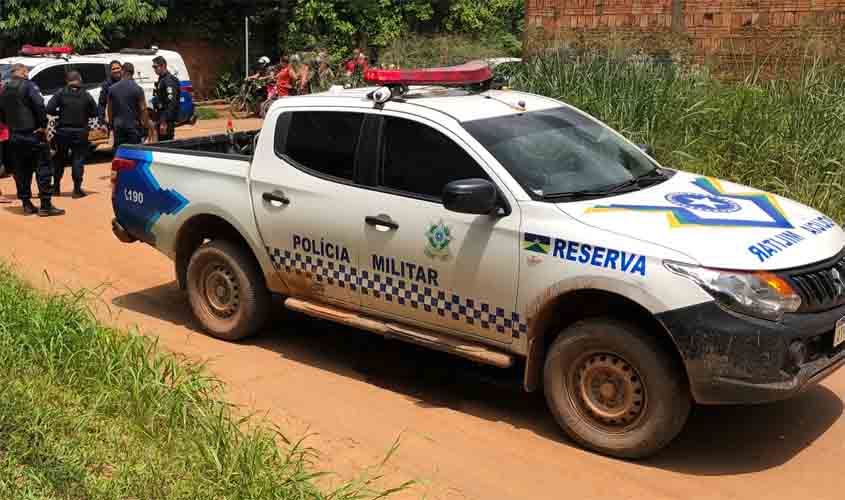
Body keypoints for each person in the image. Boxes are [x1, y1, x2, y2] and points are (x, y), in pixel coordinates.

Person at [0, 63, 64, 216]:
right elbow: (39, 105)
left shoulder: (5, 90)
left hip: (15, 136)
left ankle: (26, 204)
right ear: (22, 71)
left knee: (21, 171)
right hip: (33, 134)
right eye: (26, 71)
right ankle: (45, 205)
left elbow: (1, 113)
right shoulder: (29, 86)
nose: (27, 73)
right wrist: (42, 125)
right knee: (43, 168)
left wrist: (10, 125)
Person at [46, 70, 98, 198]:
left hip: (63, 131)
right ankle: (76, 189)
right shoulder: (86, 95)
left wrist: (61, 113)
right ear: (79, 79)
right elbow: (95, 112)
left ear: (67, 80)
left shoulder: (60, 93)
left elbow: (49, 109)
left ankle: (56, 187)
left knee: (59, 159)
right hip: (80, 132)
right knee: (78, 159)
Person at [107, 62, 154, 149]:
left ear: (123, 72)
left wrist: (111, 125)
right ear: (133, 73)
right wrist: (147, 126)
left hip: (119, 127)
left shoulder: (112, 89)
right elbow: (143, 109)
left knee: (121, 153)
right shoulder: (138, 89)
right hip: (133, 127)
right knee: (135, 153)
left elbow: (109, 109)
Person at [152, 55, 180, 142]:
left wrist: (164, 122)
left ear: (163, 65)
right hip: (161, 117)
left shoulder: (169, 80)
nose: (154, 69)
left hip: (166, 120)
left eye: (155, 66)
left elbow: (171, 103)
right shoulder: (162, 79)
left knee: (166, 144)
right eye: (153, 67)